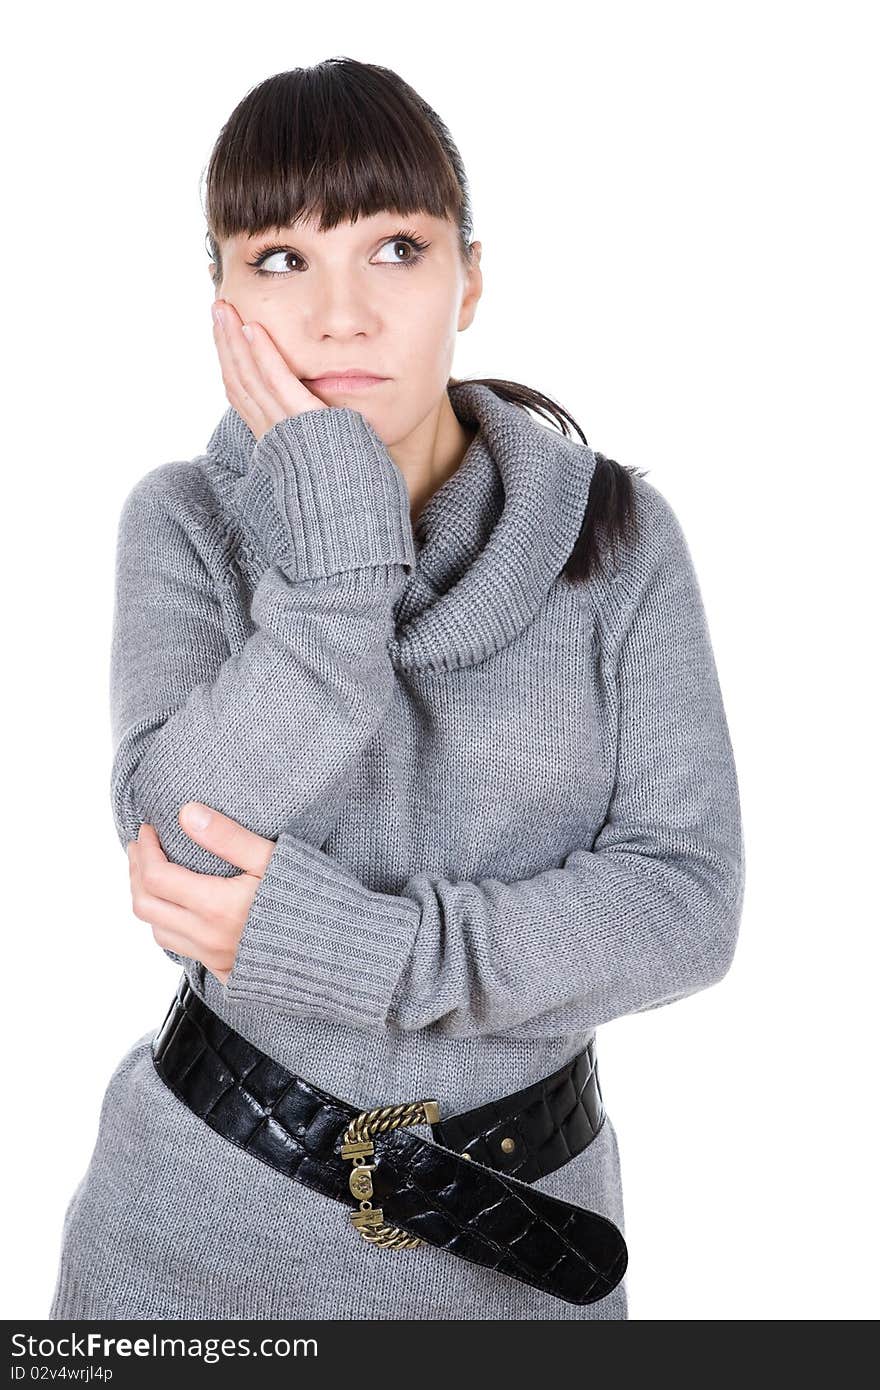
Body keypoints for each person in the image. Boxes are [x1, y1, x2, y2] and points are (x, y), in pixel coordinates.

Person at [48, 56, 745, 1321]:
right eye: (278, 260)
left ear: (468, 276)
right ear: (219, 295)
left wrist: (363, 947)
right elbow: (177, 862)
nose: (339, 316)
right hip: (195, 1242)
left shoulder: (621, 538)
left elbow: (685, 907)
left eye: (394, 250)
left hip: (522, 1247)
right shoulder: (187, 522)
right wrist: (331, 576)